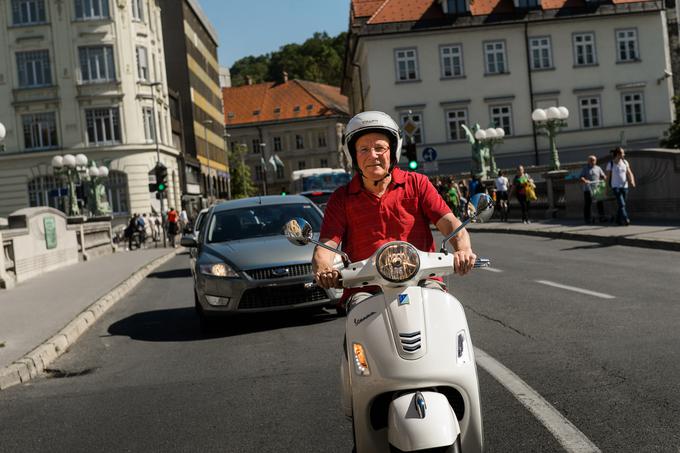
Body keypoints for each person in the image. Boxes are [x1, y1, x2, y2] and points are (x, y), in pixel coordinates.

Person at [312, 111, 477, 313]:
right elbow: (326, 247)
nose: (373, 155)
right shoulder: (341, 198)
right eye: (363, 149)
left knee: (443, 311)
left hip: (422, 281)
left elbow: (451, 224)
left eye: (380, 148)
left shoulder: (417, 184)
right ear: (353, 155)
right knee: (361, 318)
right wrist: (324, 268)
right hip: (365, 289)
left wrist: (463, 249)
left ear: (393, 151)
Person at [606, 147, 636, 226]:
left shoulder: (625, 162)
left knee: (621, 204)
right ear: (618, 154)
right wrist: (606, 188)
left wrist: (632, 181)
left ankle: (618, 219)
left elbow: (629, 173)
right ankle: (626, 218)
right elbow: (608, 177)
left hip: (625, 186)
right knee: (622, 204)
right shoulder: (610, 164)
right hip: (616, 187)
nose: (624, 154)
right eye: (623, 153)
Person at [579, 155, 607, 224]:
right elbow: (581, 177)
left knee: (600, 203)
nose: (592, 161)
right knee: (588, 204)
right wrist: (585, 180)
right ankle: (587, 218)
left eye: (594, 160)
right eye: (591, 160)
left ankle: (602, 217)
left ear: (596, 161)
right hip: (588, 189)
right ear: (588, 161)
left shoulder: (598, 168)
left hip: (597, 188)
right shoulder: (585, 168)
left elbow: (603, 175)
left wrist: (604, 177)